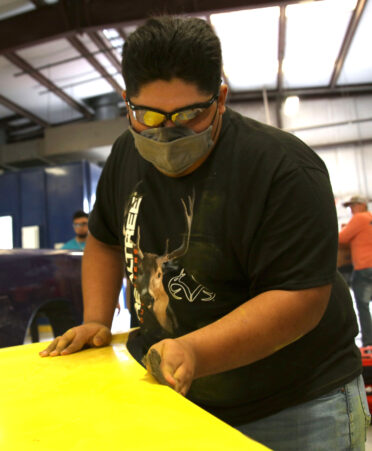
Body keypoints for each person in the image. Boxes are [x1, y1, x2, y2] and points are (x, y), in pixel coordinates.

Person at [40, 16, 369, 450]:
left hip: (294, 406)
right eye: (149, 116)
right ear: (127, 104)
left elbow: (300, 298)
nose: (167, 132)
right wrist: (96, 319)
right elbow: (103, 240)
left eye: (189, 115)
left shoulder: (284, 169)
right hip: (179, 397)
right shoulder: (124, 155)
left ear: (221, 99)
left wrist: (196, 350)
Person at [339, 195, 372, 347]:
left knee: (362, 305)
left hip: (364, 267)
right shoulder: (369, 218)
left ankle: (368, 343)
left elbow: (341, 238)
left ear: (360, 205)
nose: (351, 210)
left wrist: (345, 228)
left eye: (352, 206)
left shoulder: (359, 218)